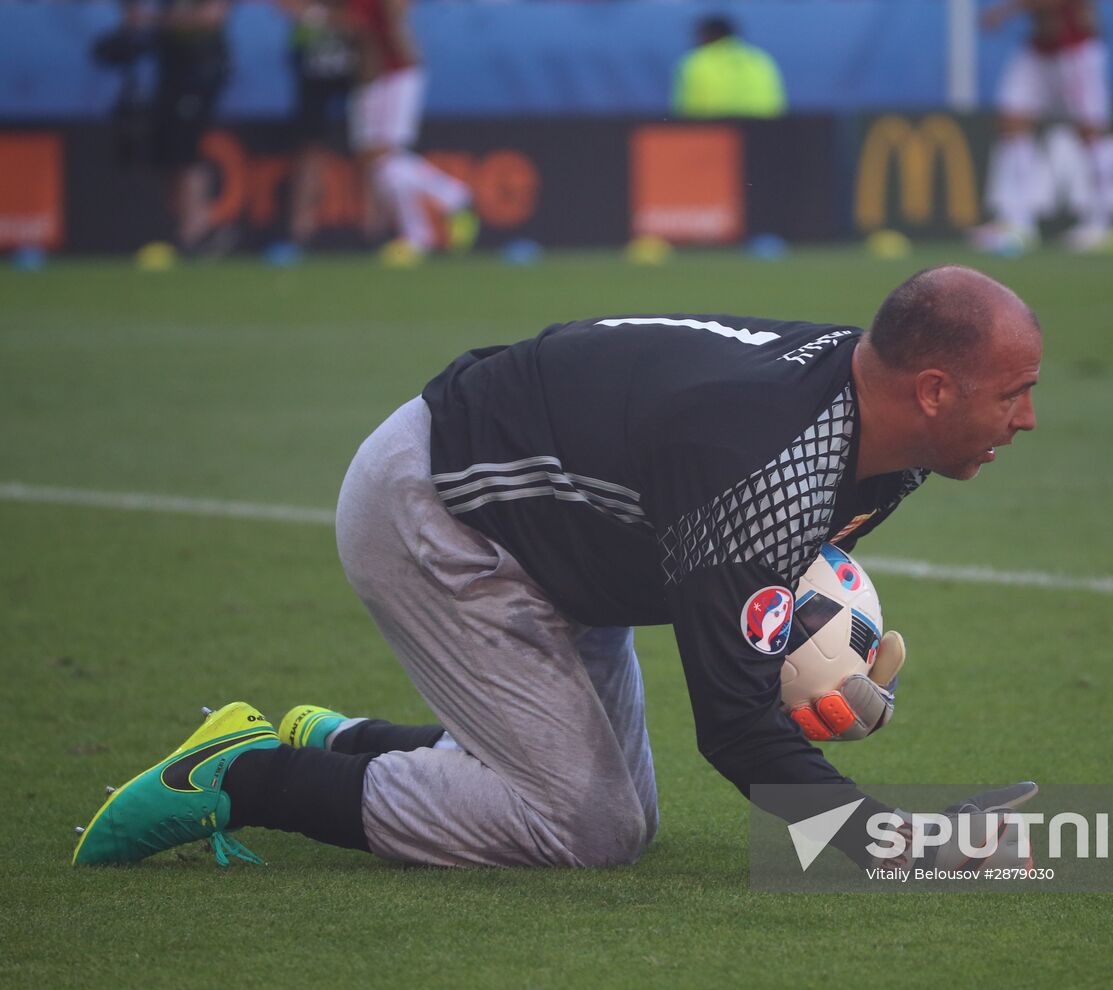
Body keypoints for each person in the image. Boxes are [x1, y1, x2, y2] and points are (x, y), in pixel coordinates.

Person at [72, 266, 1041, 871]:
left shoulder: (878, 433)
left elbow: (751, 573)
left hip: (558, 539)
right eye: (1013, 394)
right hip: (443, 513)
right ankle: (245, 777)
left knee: (619, 812)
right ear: (930, 388)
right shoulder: (769, 462)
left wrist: (801, 653)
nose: (1026, 418)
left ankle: (345, 740)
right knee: (581, 831)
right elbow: (734, 729)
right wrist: (893, 844)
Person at [973, 0, 1113, 253]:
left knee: (1089, 131)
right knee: (1011, 121)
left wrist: (1004, 11)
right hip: (1039, 48)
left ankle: (1101, 224)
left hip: (1075, 49)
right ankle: (1019, 222)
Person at [343, 0, 475, 266]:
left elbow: (390, 22)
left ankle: (449, 203)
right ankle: (422, 231)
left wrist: (395, 70)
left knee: (386, 157)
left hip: (393, 74)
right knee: (381, 163)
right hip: (377, 77)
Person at [275, 0, 358, 257]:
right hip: (311, 69)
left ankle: (374, 231)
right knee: (308, 150)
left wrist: (320, 15)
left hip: (358, 67)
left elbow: (361, 19)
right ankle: (300, 233)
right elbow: (288, 8)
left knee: (372, 148)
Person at [148, 0, 232, 253]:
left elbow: (210, 17)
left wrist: (164, 21)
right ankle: (181, 228)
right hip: (170, 78)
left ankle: (196, 231)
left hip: (200, 74)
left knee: (189, 153)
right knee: (172, 155)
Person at [672, 15, 787, 119]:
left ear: (708, 35)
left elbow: (686, 112)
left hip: (717, 134)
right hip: (764, 133)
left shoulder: (695, 62)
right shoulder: (761, 59)